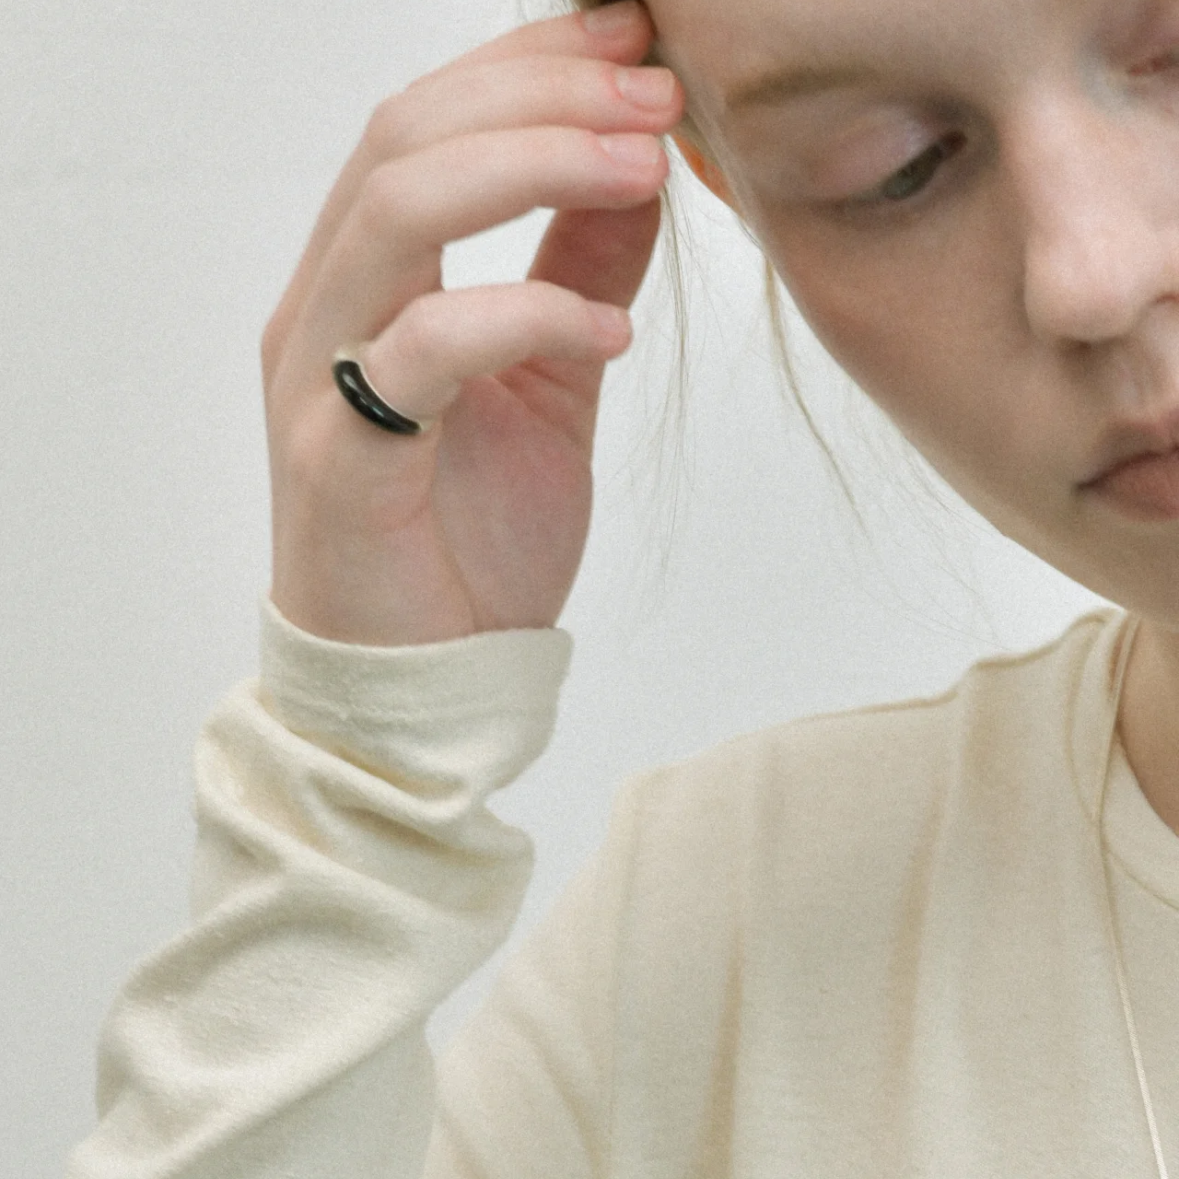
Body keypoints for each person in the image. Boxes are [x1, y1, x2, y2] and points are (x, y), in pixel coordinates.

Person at [68, 0, 1179, 1174]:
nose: (1094, 277)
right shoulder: (731, 943)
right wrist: (362, 777)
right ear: (729, 190)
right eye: (892, 170)